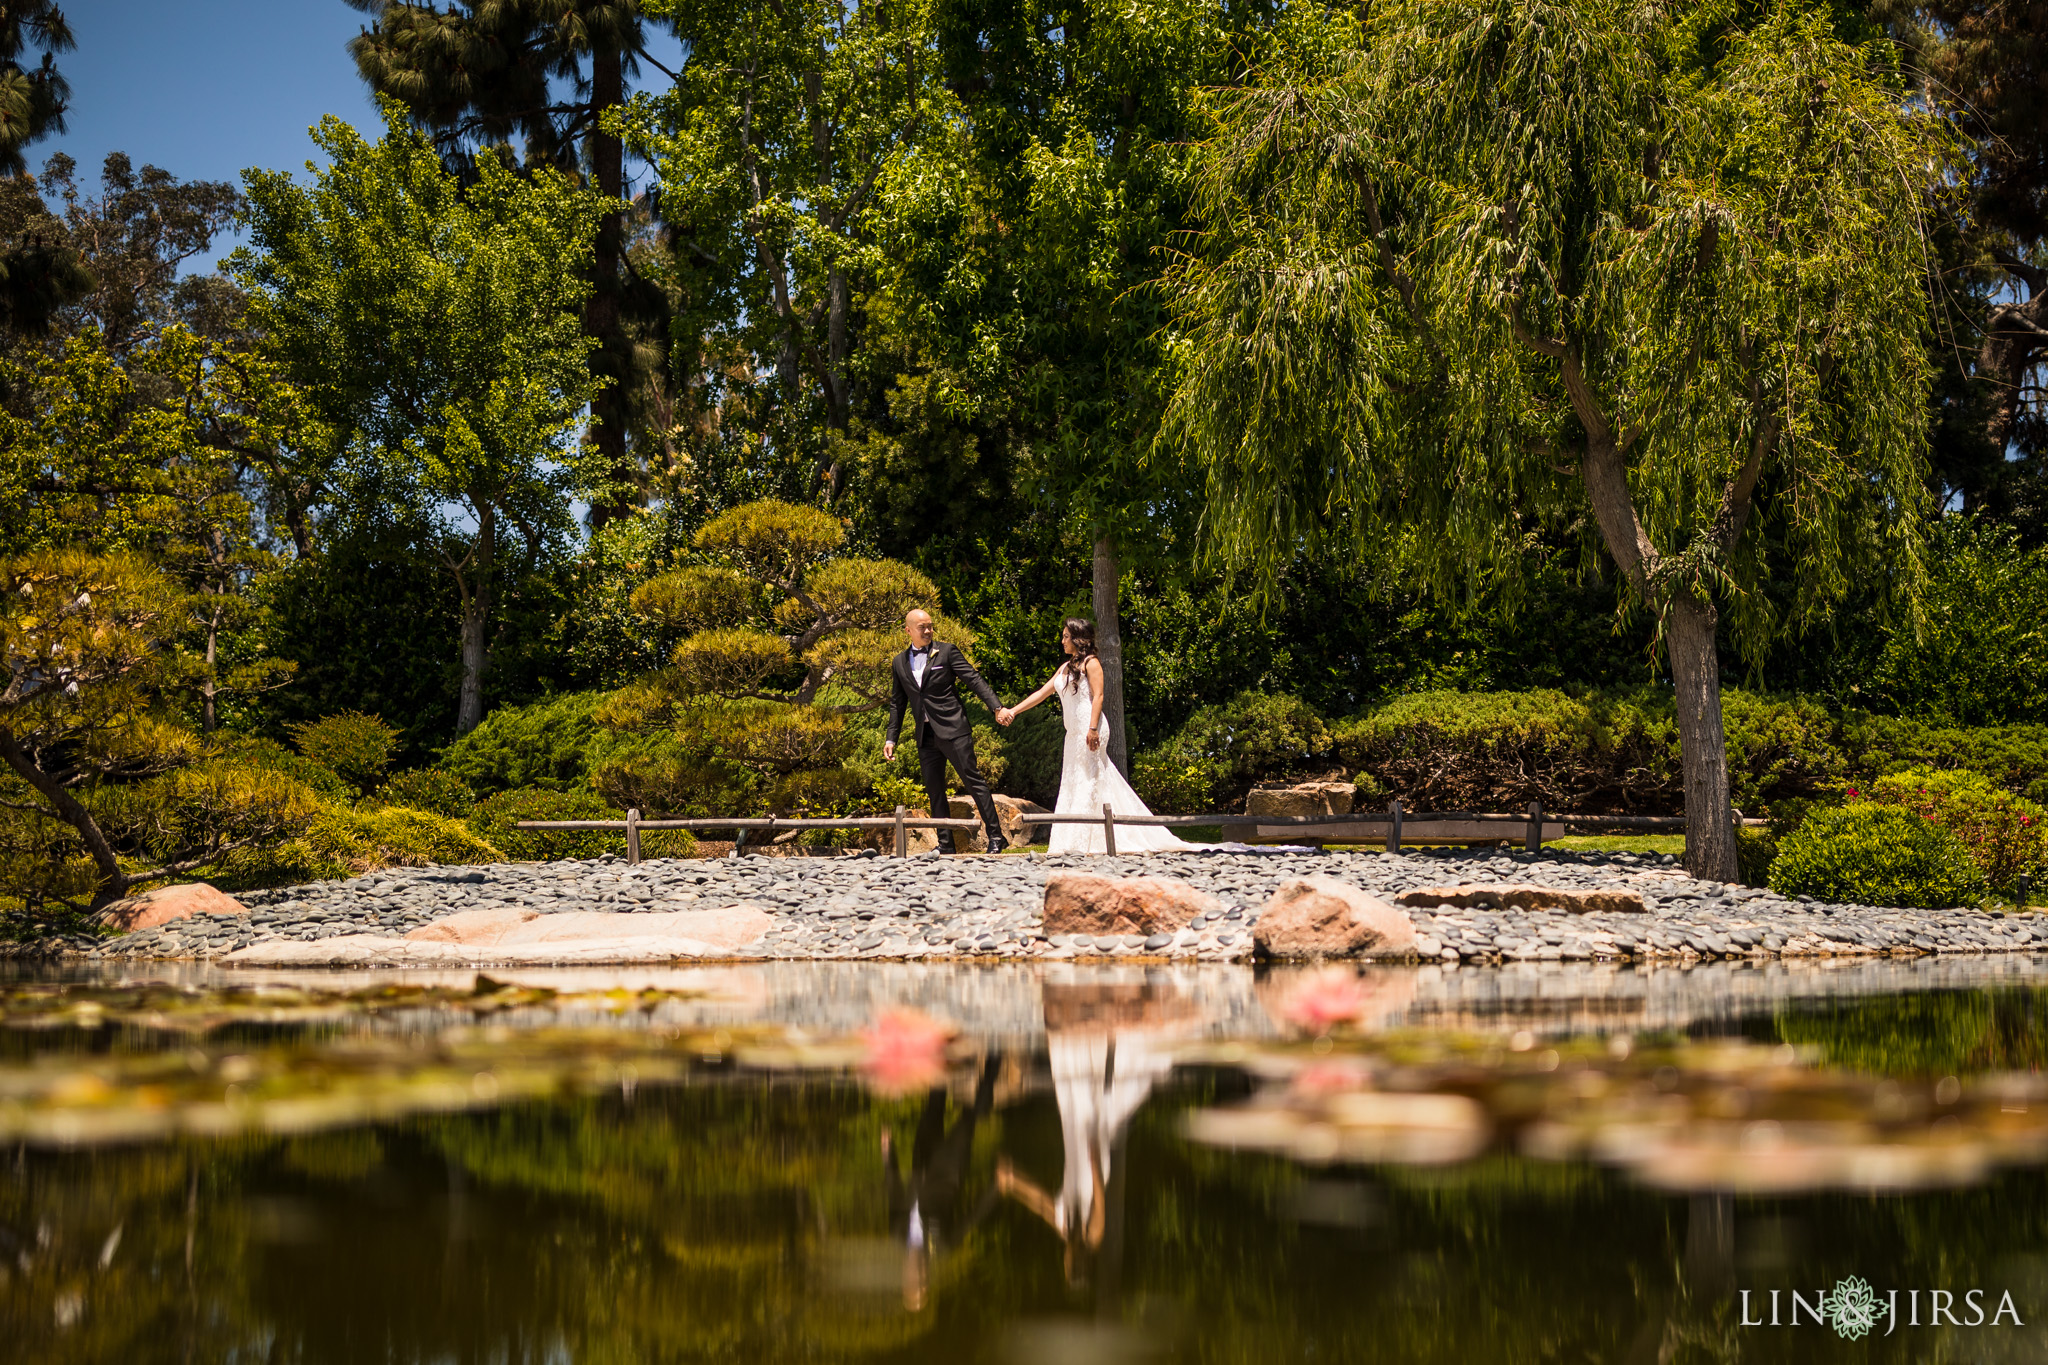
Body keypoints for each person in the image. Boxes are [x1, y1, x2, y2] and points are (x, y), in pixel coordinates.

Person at [999, 617, 1185, 854]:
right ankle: (1072, 839)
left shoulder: (1092, 663)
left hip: (1091, 728)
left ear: (1078, 639)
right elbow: (1041, 693)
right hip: (1073, 733)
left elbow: (1098, 696)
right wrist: (1013, 710)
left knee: (1088, 780)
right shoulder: (1064, 668)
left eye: (1066, 636)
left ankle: (1084, 840)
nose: (1062, 640)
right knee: (1073, 780)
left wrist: (1093, 728)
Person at [884, 608, 1009, 854]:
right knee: (935, 790)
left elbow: (973, 679)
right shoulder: (899, 661)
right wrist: (891, 737)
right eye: (922, 627)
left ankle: (996, 837)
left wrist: (996, 707)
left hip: (954, 729)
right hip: (925, 734)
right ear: (908, 630)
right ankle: (945, 844)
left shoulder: (947, 651)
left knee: (974, 783)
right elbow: (897, 702)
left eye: (930, 626)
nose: (928, 631)